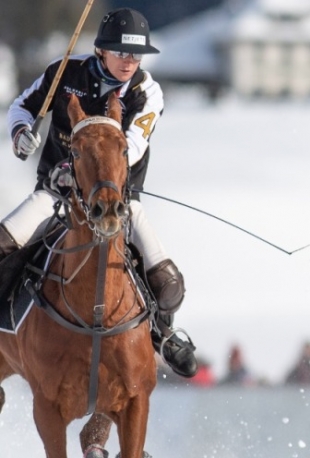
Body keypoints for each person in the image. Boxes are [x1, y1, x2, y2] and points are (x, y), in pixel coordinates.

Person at [4, 8, 197, 378]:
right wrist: (21, 133)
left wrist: (93, 170)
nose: (129, 62)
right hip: (55, 196)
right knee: (2, 244)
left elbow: (133, 145)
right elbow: (22, 108)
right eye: (121, 52)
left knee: (167, 282)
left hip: (117, 202)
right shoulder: (63, 72)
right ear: (100, 50)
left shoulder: (147, 92)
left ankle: (163, 334)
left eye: (136, 55)